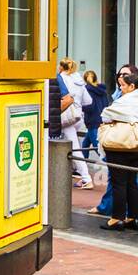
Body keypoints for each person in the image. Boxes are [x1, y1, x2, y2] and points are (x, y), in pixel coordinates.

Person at [97, 67, 138, 232]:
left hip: (119, 144)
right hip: (136, 145)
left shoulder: (127, 100)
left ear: (132, 87)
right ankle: (133, 217)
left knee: (118, 182)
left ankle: (117, 218)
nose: (121, 89)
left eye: (123, 86)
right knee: (131, 182)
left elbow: (106, 114)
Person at [58, 58, 93, 188]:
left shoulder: (61, 78)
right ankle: (72, 171)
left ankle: (86, 178)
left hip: (65, 116)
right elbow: (88, 101)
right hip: (77, 117)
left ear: (61, 67)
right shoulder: (79, 79)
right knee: (70, 145)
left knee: (74, 148)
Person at [81, 69, 108, 161]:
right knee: (85, 143)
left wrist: (80, 107)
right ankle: (82, 164)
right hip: (101, 119)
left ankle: (112, 164)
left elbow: (89, 107)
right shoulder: (102, 90)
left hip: (92, 120)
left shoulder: (87, 90)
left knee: (98, 148)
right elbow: (106, 104)